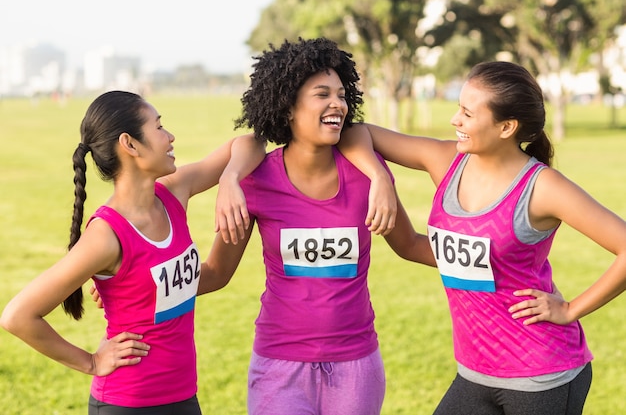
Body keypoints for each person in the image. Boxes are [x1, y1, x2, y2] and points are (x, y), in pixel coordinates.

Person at [339, 60, 626, 414]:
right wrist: (380, 179)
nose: (454, 120)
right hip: (475, 373)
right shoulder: (444, 161)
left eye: (467, 113)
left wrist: (569, 310)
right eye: (458, 108)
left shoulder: (542, 187)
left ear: (506, 126)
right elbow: (354, 133)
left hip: (542, 375)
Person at [196, 37, 435, 415]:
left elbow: (410, 245)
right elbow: (216, 273)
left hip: (357, 366)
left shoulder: (367, 177)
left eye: (341, 95)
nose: (337, 104)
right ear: (288, 106)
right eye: (322, 94)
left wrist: (491, 255)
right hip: (279, 366)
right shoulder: (257, 180)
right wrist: (140, 283)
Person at [0, 90, 264, 415]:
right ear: (130, 144)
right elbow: (17, 316)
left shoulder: (173, 192)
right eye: (159, 127)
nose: (170, 137)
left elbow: (251, 143)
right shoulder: (107, 236)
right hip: (127, 404)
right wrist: (91, 362)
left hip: (183, 398)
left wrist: (231, 179)